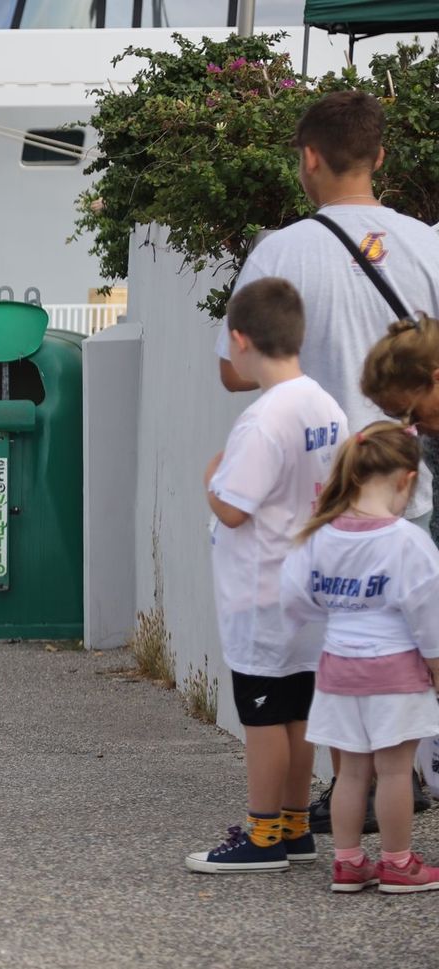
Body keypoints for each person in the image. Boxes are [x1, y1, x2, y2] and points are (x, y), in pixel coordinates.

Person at [217, 89, 439, 828]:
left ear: (308, 157)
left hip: (317, 493)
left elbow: (232, 367)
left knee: (341, 649)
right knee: (405, 639)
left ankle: (346, 801)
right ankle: (397, 783)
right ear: (380, 156)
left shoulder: (280, 250)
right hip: (405, 478)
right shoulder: (427, 244)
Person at [186, 279, 347, 875]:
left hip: (262, 591)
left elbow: (233, 506)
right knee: (299, 712)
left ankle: (262, 837)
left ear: (240, 340)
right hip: (312, 588)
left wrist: (210, 475)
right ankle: (295, 825)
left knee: (261, 717)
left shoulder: (263, 419)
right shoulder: (325, 405)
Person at [281, 417, 439, 893]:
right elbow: (429, 613)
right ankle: (397, 863)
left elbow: (292, 598)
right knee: (393, 771)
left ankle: (348, 863)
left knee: (350, 772)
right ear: (406, 480)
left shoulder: (320, 535)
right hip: (395, 674)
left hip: (336, 672)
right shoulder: (407, 541)